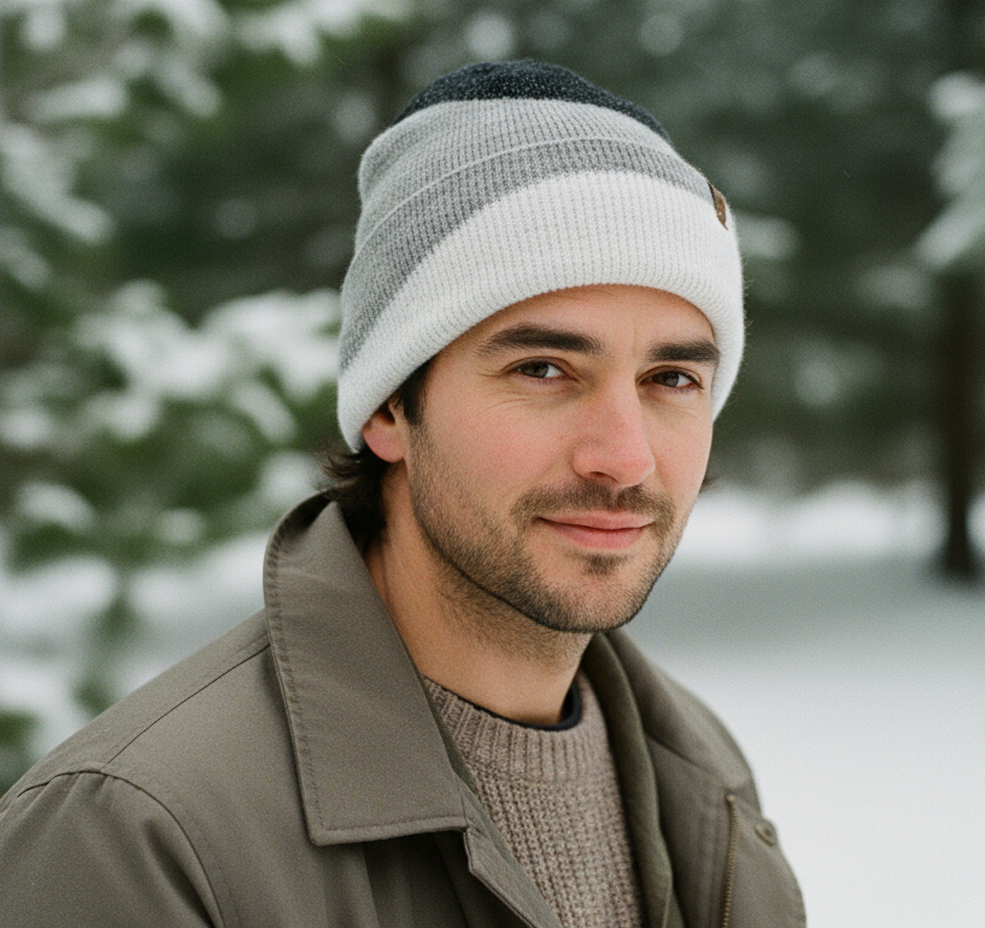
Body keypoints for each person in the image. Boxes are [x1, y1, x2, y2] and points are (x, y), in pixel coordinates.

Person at [0, 60, 804, 927]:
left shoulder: (700, 773)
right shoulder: (138, 835)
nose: (625, 457)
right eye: (543, 369)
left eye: (672, 378)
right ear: (389, 405)